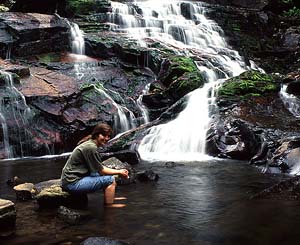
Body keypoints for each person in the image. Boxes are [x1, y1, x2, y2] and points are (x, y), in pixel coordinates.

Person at [61, 123, 129, 207]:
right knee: (110, 180)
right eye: (103, 135)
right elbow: (101, 170)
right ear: (97, 135)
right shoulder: (91, 148)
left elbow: (98, 169)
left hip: (71, 178)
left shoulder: (90, 143)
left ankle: (110, 197)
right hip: (72, 183)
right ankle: (109, 207)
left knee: (100, 175)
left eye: (108, 136)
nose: (106, 138)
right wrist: (119, 172)